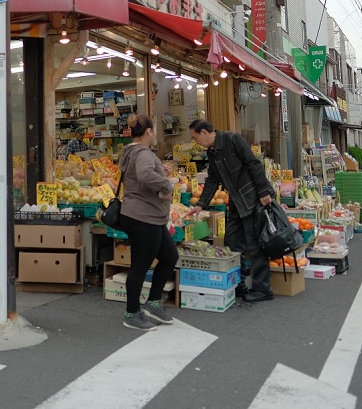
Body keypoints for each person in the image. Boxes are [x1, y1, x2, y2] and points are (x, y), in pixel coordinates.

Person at [188, 119, 276, 303]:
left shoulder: (232, 139)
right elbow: (212, 180)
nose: (195, 142)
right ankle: (239, 284)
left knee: (254, 244)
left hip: (251, 199)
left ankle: (263, 289)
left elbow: (254, 163)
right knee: (232, 242)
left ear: (204, 132)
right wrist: (201, 205)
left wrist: (263, 191)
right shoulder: (212, 152)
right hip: (236, 203)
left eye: (195, 137)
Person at [117, 114, 177, 331]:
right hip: (143, 217)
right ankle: (132, 313)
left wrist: (160, 172)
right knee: (140, 266)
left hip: (148, 216)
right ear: (149, 131)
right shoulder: (142, 152)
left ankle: (153, 303)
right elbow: (143, 175)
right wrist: (165, 185)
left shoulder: (131, 151)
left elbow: (140, 175)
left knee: (170, 256)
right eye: (155, 129)